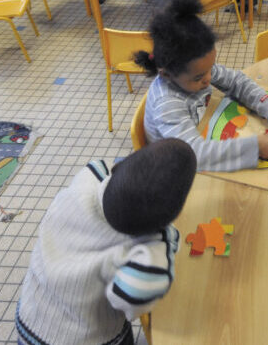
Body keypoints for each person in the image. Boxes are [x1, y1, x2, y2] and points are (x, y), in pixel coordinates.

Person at [15, 139, 197, 345]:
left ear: (118, 168)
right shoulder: (147, 251)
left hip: (29, 320)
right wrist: (168, 239)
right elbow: (134, 297)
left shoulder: (86, 182)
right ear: (174, 215)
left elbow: (105, 168)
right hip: (84, 339)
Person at [134, 0, 268, 171]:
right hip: (174, 166)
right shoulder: (166, 104)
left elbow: (237, 81)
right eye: (199, 77)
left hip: (203, 133)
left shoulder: (199, 69)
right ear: (166, 74)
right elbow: (194, 154)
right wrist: (254, 147)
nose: (209, 78)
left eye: (210, 69)